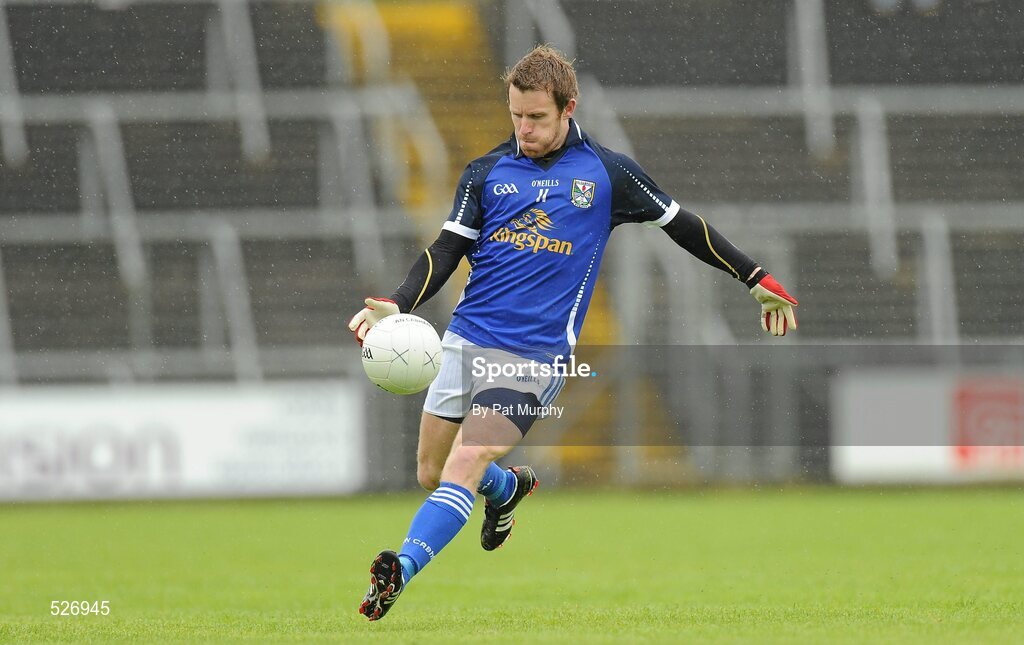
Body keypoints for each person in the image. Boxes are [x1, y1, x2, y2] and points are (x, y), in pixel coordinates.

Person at [348, 45, 798, 621]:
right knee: (430, 471)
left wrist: (754, 277)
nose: (524, 129)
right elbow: (446, 249)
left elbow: (684, 225)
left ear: (568, 108)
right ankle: (506, 490)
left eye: (537, 117)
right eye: (516, 115)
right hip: (464, 340)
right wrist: (396, 302)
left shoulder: (609, 174)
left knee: (468, 457)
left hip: (533, 357)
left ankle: (400, 568)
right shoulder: (486, 173)